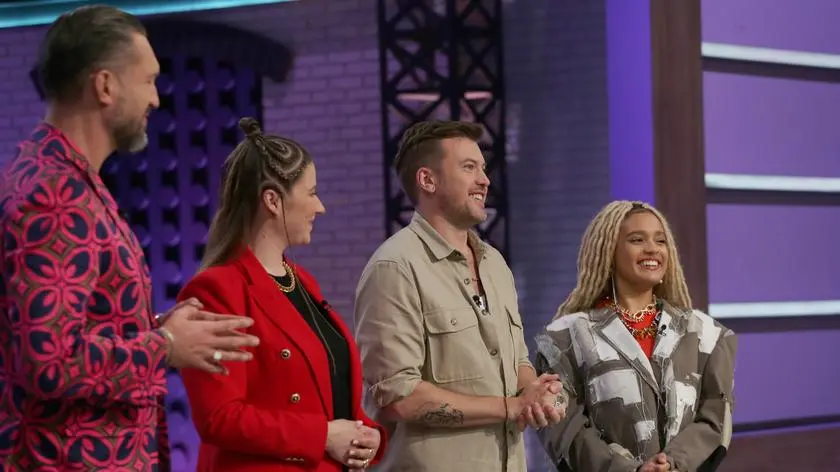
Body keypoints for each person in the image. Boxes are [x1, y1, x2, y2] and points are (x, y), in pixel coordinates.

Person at [0, 5, 260, 471]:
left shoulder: (66, 180)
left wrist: (158, 328)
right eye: (148, 80)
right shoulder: (56, 194)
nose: (156, 99)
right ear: (105, 86)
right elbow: (49, 362)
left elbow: (70, 328)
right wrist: (165, 345)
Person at [177, 117, 387, 472]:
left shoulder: (302, 281)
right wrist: (322, 436)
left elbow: (326, 392)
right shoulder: (216, 290)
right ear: (273, 200)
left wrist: (367, 434)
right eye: (312, 193)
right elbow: (219, 417)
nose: (320, 207)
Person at [353, 120, 565, 472]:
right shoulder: (394, 267)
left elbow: (517, 361)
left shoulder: (494, 263)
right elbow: (398, 397)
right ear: (427, 180)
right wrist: (511, 407)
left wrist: (538, 393)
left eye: (483, 168)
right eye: (469, 168)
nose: (485, 180)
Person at [533, 201, 737, 472]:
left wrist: (672, 463)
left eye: (660, 240)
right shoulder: (564, 339)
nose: (652, 248)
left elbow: (715, 418)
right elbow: (565, 428)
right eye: (637, 240)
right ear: (608, 251)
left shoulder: (705, 335)